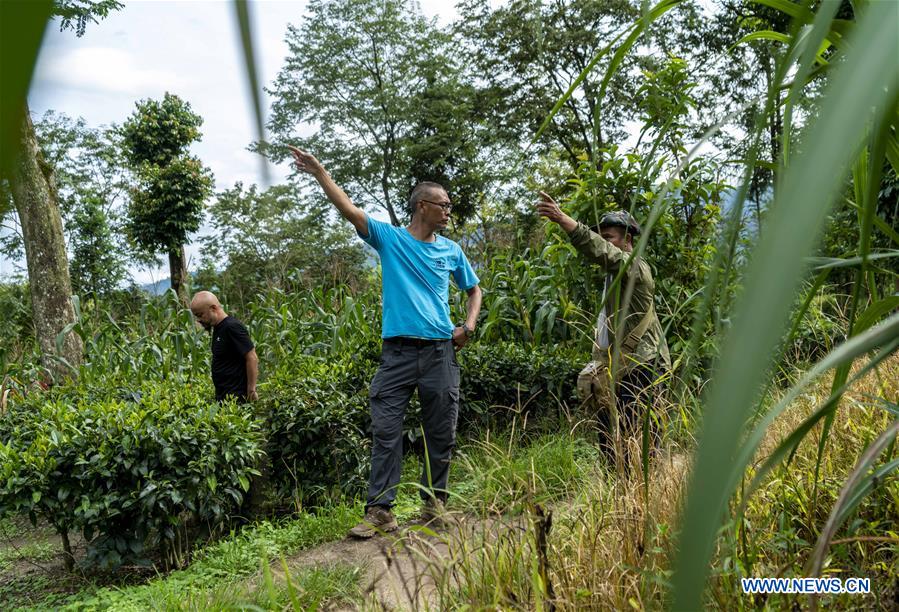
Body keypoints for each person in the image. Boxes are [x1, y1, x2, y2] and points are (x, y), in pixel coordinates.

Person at [289, 146, 482, 539]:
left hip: (439, 352)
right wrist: (320, 172)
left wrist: (469, 325)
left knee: (441, 429)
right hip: (396, 354)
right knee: (386, 431)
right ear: (422, 206)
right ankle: (381, 511)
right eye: (443, 204)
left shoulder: (451, 250)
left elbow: (474, 290)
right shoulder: (391, 240)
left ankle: (434, 504)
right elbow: (350, 211)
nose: (448, 211)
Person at [535, 192, 670, 456]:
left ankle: (648, 495)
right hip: (615, 370)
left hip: (641, 369)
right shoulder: (613, 276)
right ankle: (617, 495)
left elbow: (600, 250)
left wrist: (563, 219)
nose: (603, 243)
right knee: (610, 446)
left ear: (627, 240)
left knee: (642, 447)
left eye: (608, 238)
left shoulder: (635, 268)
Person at [189, 291, 259, 403]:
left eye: (200, 315)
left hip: (237, 399)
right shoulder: (218, 327)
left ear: (213, 308)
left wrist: (251, 391)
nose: (199, 320)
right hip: (224, 398)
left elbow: (252, 357)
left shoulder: (232, 327)